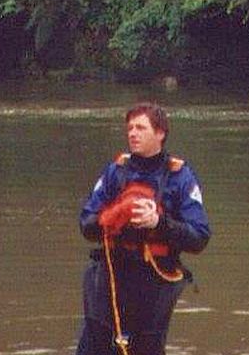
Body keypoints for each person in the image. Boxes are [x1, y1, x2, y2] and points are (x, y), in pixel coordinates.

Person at [74, 102, 211, 355]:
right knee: (94, 345)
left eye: (140, 128)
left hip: (154, 279)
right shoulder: (115, 172)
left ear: (160, 133)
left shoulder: (180, 177)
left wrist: (158, 223)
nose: (132, 134)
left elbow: (199, 238)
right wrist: (113, 216)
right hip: (111, 274)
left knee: (147, 348)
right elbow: (86, 225)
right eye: (130, 128)